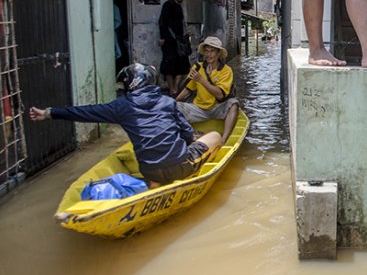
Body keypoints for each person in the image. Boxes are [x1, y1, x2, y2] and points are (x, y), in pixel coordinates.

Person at [29, 63, 222, 187]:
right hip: (180, 165)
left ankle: (154, 185)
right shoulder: (167, 102)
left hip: (150, 171)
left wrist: (49, 113)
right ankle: (194, 172)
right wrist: (187, 144)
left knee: (153, 166)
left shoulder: (121, 107)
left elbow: (85, 112)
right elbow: (187, 133)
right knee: (215, 136)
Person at [176, 36, 239, 144]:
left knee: (233, 103)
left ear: (218, 53)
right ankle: (184, 137)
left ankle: (223, 139)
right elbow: (188, 89)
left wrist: (201, 80)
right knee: (173, 107)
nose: (208, 54)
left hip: (217, 108)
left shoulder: (226, 71)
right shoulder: (197, 67)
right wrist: (174, 101)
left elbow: (220, 95)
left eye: (212, 51)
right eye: (206, 51)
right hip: (199, 108)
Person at [159, 0, 190, 97]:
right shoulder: (168, 5)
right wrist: (163, 38)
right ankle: (172, 88)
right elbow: (162, 22)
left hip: (180, 41)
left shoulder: (179, 7)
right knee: (169, 66)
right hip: (169, 41)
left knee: (183, 66)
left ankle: (175, 87)